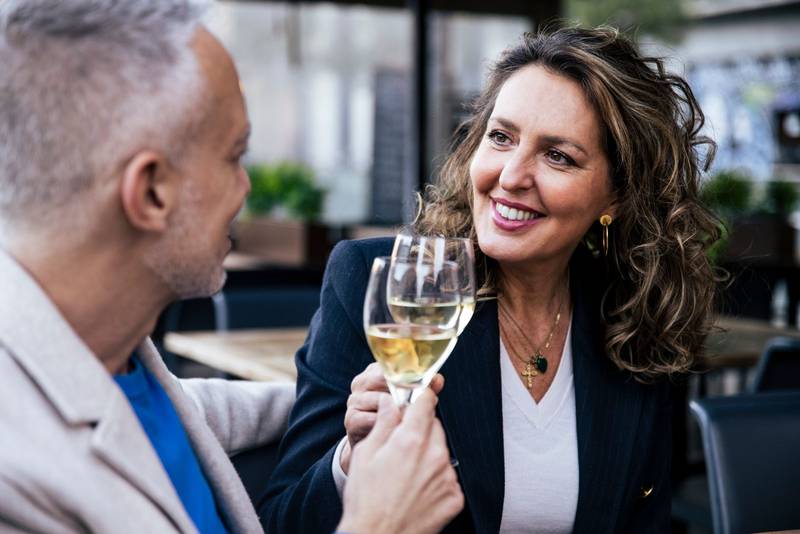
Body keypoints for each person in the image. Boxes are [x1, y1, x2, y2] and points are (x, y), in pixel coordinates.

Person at [0, 1, 462, 533]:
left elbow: (209, 407)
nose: (246, 188)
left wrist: (343, 404)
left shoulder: (121, 366)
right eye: (234, 156)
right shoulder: (18, 475)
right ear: (151, 192)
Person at [262, 26, 721, 533]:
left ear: (614, 198)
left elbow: (648, 522)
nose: (510, 176)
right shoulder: (384, 286)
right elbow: (280, 522)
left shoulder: (631, 318)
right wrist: (351, 461)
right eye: (501, 137)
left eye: (558, 156)